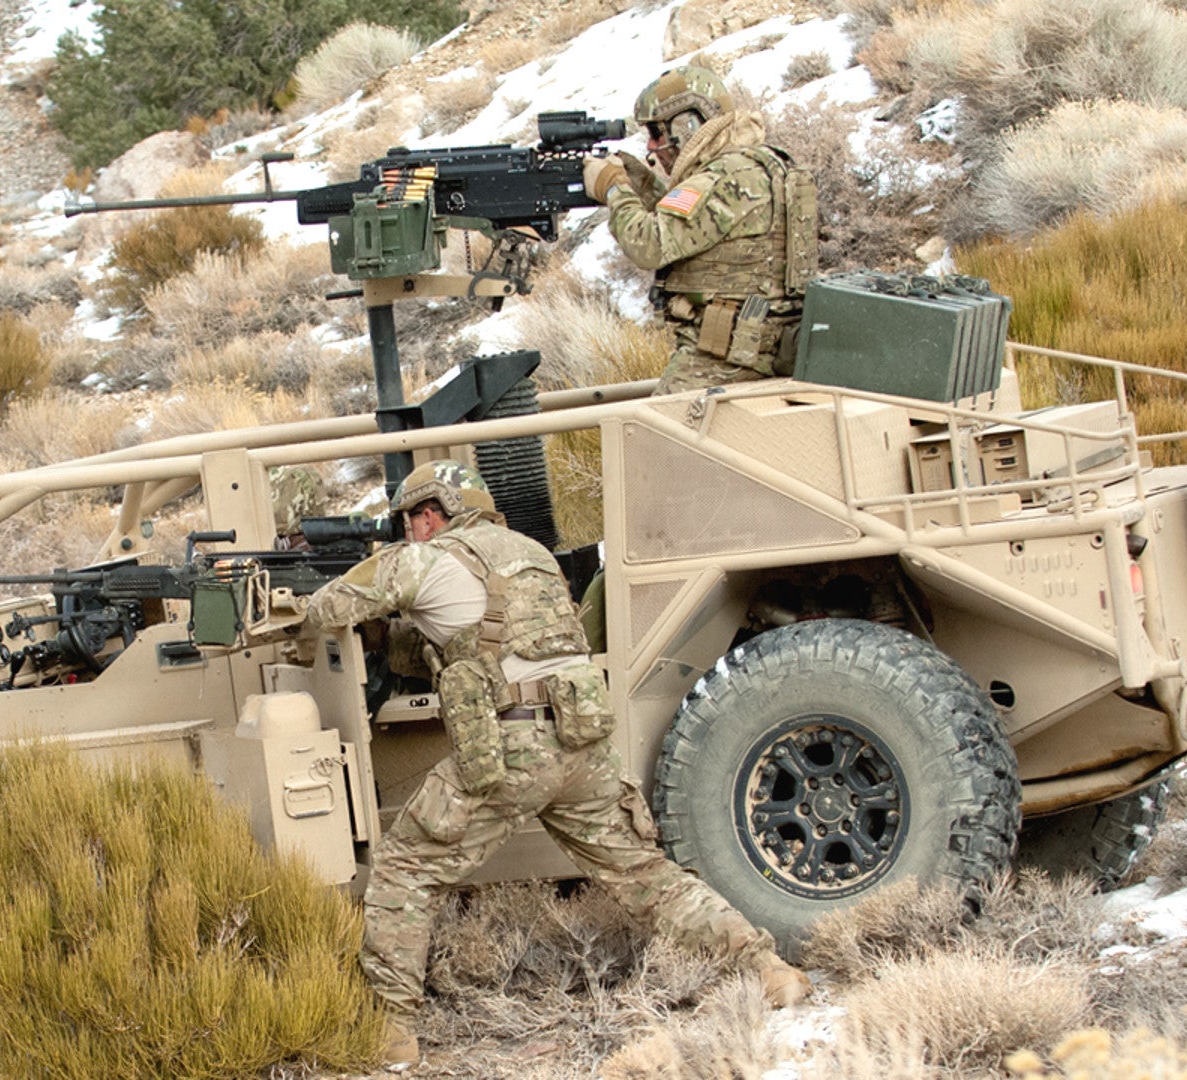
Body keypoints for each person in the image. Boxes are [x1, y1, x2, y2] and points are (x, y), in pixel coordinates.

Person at [305, 460, 811, 1066]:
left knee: (404, 871)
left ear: (430, 515)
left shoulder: (428, 558)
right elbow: (479, 637)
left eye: (410, 520)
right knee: (645, 875)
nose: (409, 531)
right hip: (582, 746)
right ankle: (766, 968)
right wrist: (393, 639)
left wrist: (309, 603)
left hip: (510, 750)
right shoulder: (533, 557)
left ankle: (392, 1034)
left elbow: (326, 609)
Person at [581, 64, 818, 395]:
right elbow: (696, 227)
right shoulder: (758, 166)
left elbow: (648, 245)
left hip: (722, 362)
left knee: (642, 428)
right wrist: (642, 183)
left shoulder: (723, 178)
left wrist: (613, 188)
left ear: (687, 125)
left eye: (657, 133)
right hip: (768, 350)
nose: (652, 146)